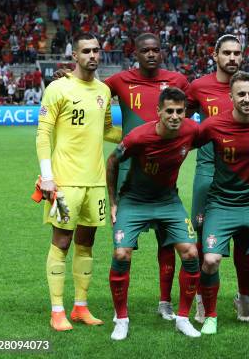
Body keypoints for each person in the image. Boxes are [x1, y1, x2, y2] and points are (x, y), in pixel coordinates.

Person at [56, 33, 190, 321]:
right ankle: (119, 314)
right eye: (145, 50)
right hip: (128, 172)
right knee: (123, 248)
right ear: (135, 53)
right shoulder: (118, 81)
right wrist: (69, 78)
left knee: (168, 241)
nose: (151, 54)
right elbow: (91, 91)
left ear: (162, 52)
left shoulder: (178, 80)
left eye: (156, 49)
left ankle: (165, 302)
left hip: (163, 171)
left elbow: (190, 113)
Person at [36, 32, 121, 331]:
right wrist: (47, 177)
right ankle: (56, 310)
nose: (93, 56)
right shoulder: (58, 88)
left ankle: (80, 307)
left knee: (87, 244)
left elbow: (108, 130)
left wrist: (141, 136)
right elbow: (43, 133)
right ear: (74, 56)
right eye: (86, 51)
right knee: (62, 241)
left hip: (96, 183)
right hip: (64, 184)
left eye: (96, 50)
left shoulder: (104, 91)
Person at [106, 88, 201, 340]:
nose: (174, 116)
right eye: (169, 111)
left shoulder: (192, 131)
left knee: (191, 252)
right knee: (121, 253)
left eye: (179, 111)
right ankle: (122, 319)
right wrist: (113, 201)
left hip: (168, 200)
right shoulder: (138, 137)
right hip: (134, 201)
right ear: (158, 112)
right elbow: (112, 162)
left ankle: (182, 318)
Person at [186, 34, 249, 323]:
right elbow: (180, 117)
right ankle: (200, 299)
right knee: (203, 240)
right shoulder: (198, 87)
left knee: (244, 239)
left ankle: (244, 299)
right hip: (208, 171)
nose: (232, 58)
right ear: (215, 55)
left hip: (243, 174)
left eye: (237, 53)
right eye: (227, 53)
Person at [196, 71, 249, 335]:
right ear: (230, 96)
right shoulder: (213, 125)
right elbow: (184, 141)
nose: (246, 99)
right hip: (221, 203)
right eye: (241, 94)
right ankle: (210, 316)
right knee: (210, 260)